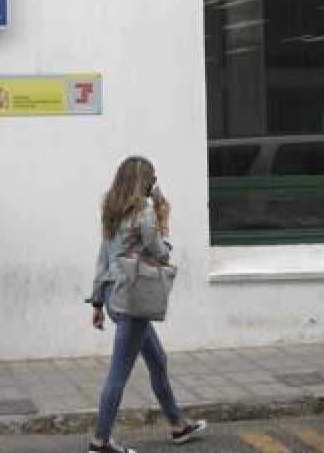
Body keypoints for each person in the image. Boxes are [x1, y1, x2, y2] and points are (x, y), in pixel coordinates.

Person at [87, 157, 204, 453]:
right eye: (152, 180)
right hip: (134, 299)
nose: (154, 185)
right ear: (145, 183)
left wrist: (98, 301)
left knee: (157, 360)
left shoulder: (111, 211)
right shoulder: (145, 214)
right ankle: (100, 442)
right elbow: (160, 254)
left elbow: (103, 257)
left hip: (116, 296)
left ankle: (178, 425)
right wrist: (164, 220)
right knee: (119, 373)